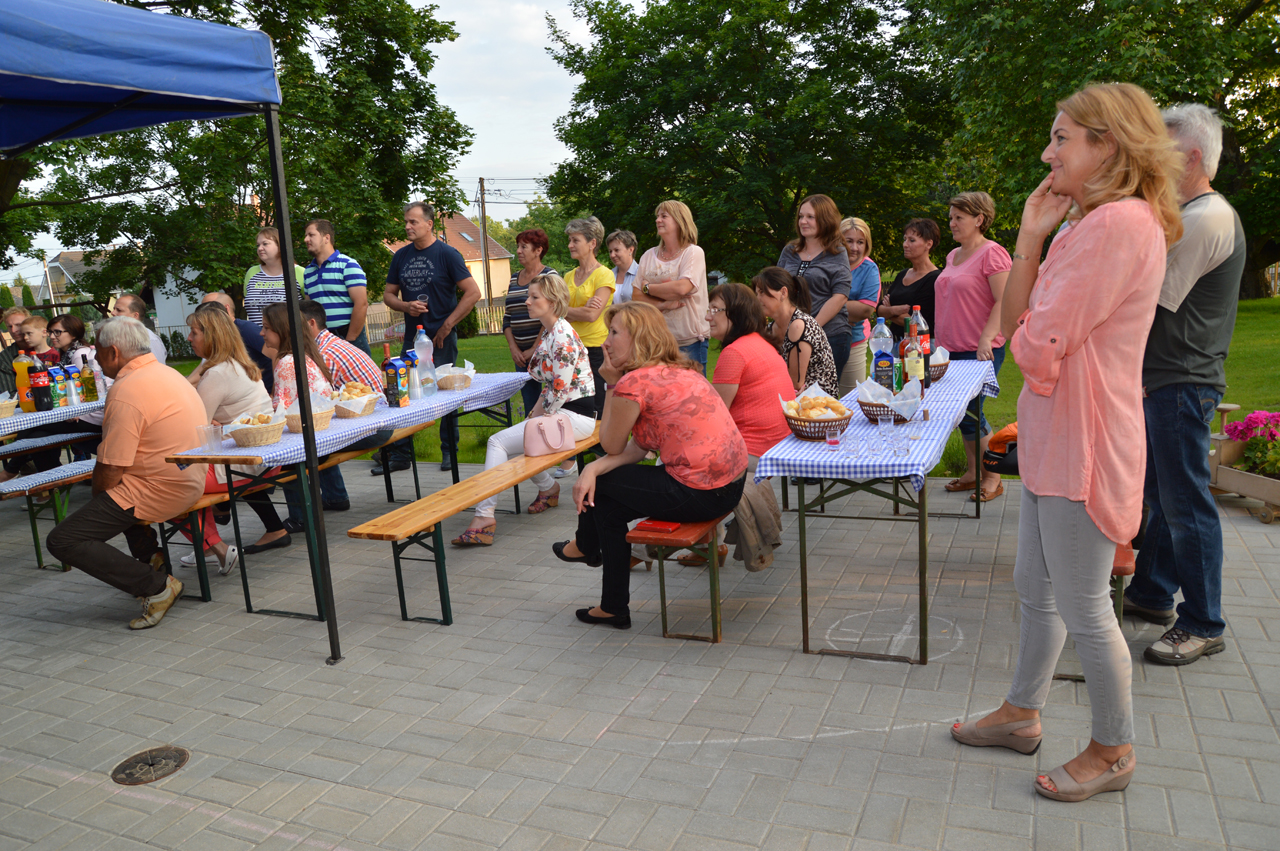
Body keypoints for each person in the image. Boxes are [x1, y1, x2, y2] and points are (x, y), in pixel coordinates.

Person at [951, 82, 1182, 803]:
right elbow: (1017, 321)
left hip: (1086, 442)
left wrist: (1024, 330)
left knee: (1084, 603)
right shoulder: (1088, 225)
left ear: (1107, 146)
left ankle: (1113, 747)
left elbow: (1035, 346)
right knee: (1036, 587)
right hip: (1056, 434)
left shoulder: (1118, 225)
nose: (1048, 153)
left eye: (1062, 138)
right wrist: (1028, 238)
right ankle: (1022, 712)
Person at [1123, 104, 1246, 667]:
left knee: (1186, 504)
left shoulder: (1205, 218)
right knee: (1162, 496)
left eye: (1161, 151)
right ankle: (1151, 593)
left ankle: (1203, 622)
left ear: (1192, 158)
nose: (1151, 161)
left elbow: (1148, 299)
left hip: (1182, 381)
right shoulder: (1192, 214)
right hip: (1170, 379)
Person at [553, 302, 747, 630]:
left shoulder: (634, 383)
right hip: (730, 485)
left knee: (604, 487)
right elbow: (638, 448)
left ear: (639, 338)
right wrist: (593, 469)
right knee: (608, 509)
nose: (606, 342)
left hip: (702, 491)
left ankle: (586, 546)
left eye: (614, 333)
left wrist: (610, 384)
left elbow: (611, 445)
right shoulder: (680, 370)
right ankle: (612, 607)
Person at [46, 316, 208, 630]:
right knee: (115, 494)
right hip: (188, 477)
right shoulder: (167, 372)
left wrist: (98, 502)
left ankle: (157, 587)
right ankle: (151, 558)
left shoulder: (127, 389)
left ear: (114, 352)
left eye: (98, 351)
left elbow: (110, 466)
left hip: (161, 488)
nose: (95, 358)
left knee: (63, 540)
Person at [452, 274, 597, 546]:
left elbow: (558, 391)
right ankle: (548, 488)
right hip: (565, 413)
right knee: (514, 439)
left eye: (534, 297)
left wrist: (535, 420)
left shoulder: (561, 336)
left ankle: (484, 518)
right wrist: (533, 417)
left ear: (552, 302)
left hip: (575, 417)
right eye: (528, 296)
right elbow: (547, 386)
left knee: (497, 442)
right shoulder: (551, 331)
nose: (527, 301)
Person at [178, 307, 291, 571]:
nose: (189, 338)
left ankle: (210, 546)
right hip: (264, 458)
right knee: (184, 472)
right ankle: (227, 525)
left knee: (170, 481)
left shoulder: (217, 373)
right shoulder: (239, 364)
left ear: (211, 336)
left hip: (244, 464)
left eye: (194, 332)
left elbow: (194, 429)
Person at [380, 201, 482, 474]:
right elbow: (388, 295)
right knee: (403, 391)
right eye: (406, 222)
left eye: (413, 222)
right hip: (412, 339)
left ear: (429, 224)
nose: (407, 226)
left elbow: (473, 293)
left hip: (440, 338)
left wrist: (448, 326)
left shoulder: (447, 254)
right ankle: (401, 454)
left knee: (445, 395)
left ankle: (450, 453)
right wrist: (406, 306)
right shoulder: (401, 256)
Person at [934, 192, 1011, 503]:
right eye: (951, 218)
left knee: (972, 412)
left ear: (979, 219)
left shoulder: (993, 253)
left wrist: (986, 337)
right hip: (949, 350)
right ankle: (972, 473)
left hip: (980, 350)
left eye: (959, 218)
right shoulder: (953, 255)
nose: (952, 223)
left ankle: (993, 477)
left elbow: (1005, 300)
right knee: (962, 414)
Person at [260, 303, 346, 520]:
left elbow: (283, 414)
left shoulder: (287, 362)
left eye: (266, 328)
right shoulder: (305, 354)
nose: (261, 333)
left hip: (311, 443)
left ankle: (300, 517)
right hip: (325, 435)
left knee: (284, 456)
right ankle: (335, 495)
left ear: (282, 330)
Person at [707, 282, 794, 469]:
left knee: (674, 453)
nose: (707, 317)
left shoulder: (734, 353)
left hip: (753, 451)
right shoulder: (760, 342)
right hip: (780, 445)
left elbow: (714, 416)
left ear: (736, 313)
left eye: (714, 310)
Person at [776, 195, 853, 381]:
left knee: (820, 395)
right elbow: (776, 287)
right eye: (801, 216)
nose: (803, 221)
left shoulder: (837, 252)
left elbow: (840, 296)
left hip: (830, 335)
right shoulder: (789, 251)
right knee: (792, 390)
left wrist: (809, 328)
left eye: (810, 217)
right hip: (790, 335)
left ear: (825, 219)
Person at [632, 200, 710, 372]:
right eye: (657, 216)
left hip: (689, 342)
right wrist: (664, 304)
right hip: (655, 341)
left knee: (692, 389)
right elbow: (636, 297)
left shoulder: (693, 252)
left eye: (664, 216)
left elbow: (682, 288)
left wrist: (649, 288)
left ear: (680, 220)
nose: (657, 220)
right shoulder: (648, 256)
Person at [752, 267, 839, 396]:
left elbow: (795, 384)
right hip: (790, 399)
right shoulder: (769, 329)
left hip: (818, 403)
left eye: (762, 292)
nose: (757, 299)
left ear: (783, 293)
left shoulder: (799, 325)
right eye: (756, 294)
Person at [503, 228, 557, 417]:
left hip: (545, 350)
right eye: (518, 246)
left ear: (538, 250)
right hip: (520, 355)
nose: (518, 251)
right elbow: (507, 317)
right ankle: (531, 431)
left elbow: (552, 313)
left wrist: (535, 347)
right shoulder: (514, 278)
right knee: (530, 402)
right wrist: (513, 348)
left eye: (524, 247)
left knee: (551, 400)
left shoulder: (549, 276)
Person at [564, 216, 614, 417]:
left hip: (595, 350)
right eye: (570, 240)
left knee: (597, 406)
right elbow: (556, 313)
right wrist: (580, 309)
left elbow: (592, 315)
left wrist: (567, 310)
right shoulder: (568, 276)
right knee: (572, 404)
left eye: (575, 240)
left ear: (592, 243)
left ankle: (601, 439)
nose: (570, 245)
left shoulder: (604, 275)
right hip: (571, 348)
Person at [302, 219, 371, 357]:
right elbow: (309, 309)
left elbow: (361, 304)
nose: (306, 239)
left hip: (348, 335)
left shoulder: (348, 265)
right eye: (305, 235)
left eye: (311, 235)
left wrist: (350, 340)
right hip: (321, 340)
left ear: (326, 238)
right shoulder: (308, 272)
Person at [189, 291, 274, 394]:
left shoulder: (246, 329)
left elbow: (276, 353)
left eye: (210, 309)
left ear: (226, 309)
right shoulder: (216, 339)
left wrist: (274, 393)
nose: (203, 313)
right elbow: (200, 372)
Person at [879, 219, 941, 350]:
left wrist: (888, 312)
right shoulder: (903, 274)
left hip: (919, 347)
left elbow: (917, 323)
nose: (905, 244)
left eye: (912, 240)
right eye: (905, 239)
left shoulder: (934, 279)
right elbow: (879, 310)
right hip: (894, 344)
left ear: (928, 244)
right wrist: (894, 310)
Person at [840, 216, 881, 392]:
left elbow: (865, 310)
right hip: (821, 341)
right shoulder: (825, 263)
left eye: (860, 242)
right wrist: (848, 309)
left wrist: (826, 305)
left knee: (851, 397)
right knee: (820, 400)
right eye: (848, 241)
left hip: (853, 342)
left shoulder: (869, 269)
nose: (854, 248)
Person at [243, 226, 305, 327]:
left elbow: (308, 309)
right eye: (258, 245)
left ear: (280, 245)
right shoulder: (252, 272)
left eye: (265, 244)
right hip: (255, 335)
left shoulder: (299, 272)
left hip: (286, 335)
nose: (260, 248)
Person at [111, 294, 167, 364]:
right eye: (114, 309)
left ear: (135, 315)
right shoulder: (120, 337)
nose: (112, 313)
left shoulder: (148, 339)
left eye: (119, 310)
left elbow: (156, 368)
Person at [0, 306, 31, 394]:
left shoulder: (49, 345)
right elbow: (10, 393)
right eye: (10, 326)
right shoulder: (5, 357)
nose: (13, 330)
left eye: (18, 325)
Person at [607, 229, 640, 304]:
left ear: (630, 250)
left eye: (616, 250)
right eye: (610, 251)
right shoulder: (609, 275)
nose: (612, 255)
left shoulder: (641, 273)